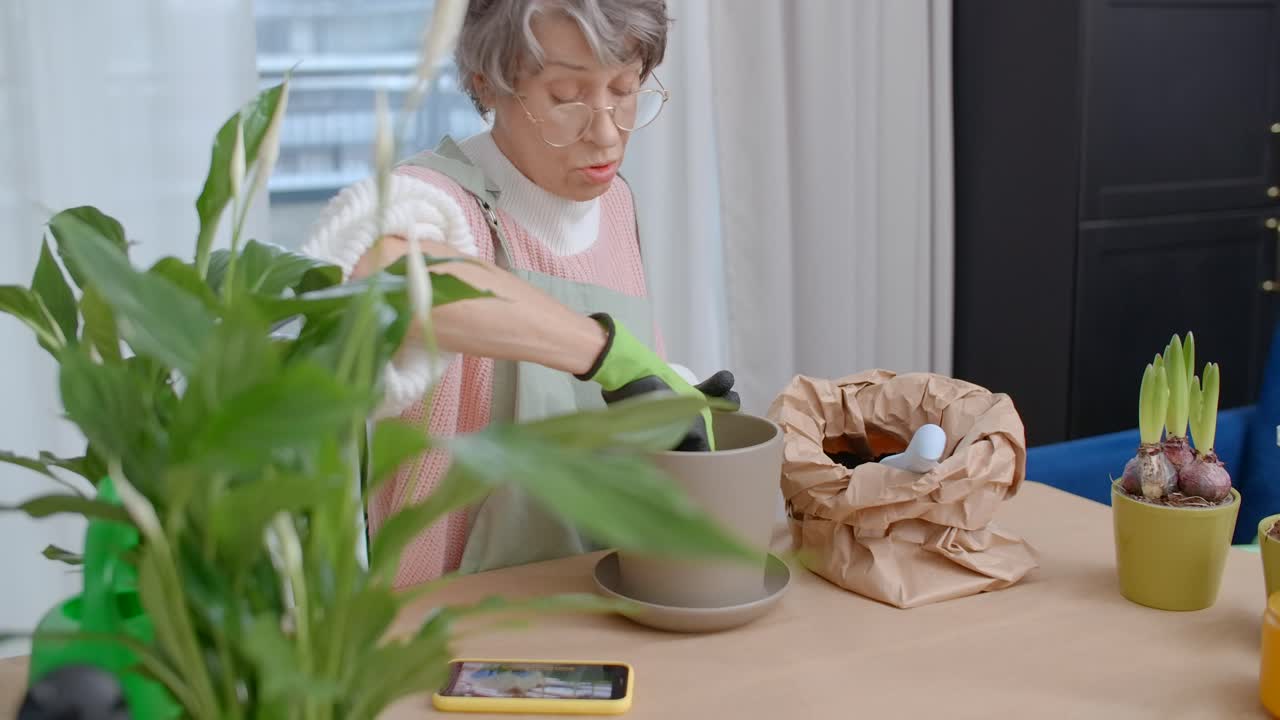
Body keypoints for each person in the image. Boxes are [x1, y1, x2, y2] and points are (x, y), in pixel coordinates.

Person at [302, 0, 738, 588]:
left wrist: (667, 390)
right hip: (448, 632)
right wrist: (603, 354)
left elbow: (617, 396)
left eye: (626, 89)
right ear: (489, 82)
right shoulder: (435, 202)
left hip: (602, 599)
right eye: (566, 98)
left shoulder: (615, 205)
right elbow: (376, 271)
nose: (606, 134)